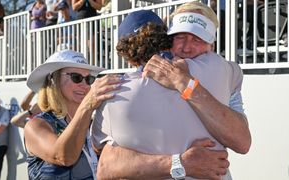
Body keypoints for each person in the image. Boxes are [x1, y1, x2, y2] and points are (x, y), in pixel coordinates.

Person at [92, 3, 251, 179]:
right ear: (167, 41)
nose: (187, 48)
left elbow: (242, 142)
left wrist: (184, 83)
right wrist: (180, 163)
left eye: (197, 39)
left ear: (211, 46)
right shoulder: (227, 72)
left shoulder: (223, 75)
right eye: (180, 37)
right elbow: (108, 163)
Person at [24, 49, 123, 179]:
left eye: (89, 79)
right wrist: (87, 105)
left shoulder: (93, 123)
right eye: (76, 77)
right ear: (53, 80)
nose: (84, 85)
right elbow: (64, 156)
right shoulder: (35, 125)